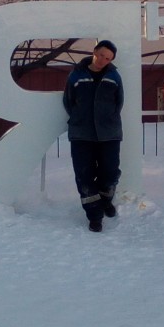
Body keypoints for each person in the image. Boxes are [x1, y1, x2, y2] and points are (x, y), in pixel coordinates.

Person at [63, 40, 123, 232]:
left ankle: (105, 200)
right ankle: (94, 215)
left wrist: (108, 119)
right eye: (102, 55)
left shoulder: (114, 76)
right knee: (84, 175)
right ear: (94, 51)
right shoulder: (76, 75)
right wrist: (80, 118)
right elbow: (68, 101)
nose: (103, 60)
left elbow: (119, 102)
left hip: (109, 134)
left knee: (111, 172)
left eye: (108, 58)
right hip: (82, 134)